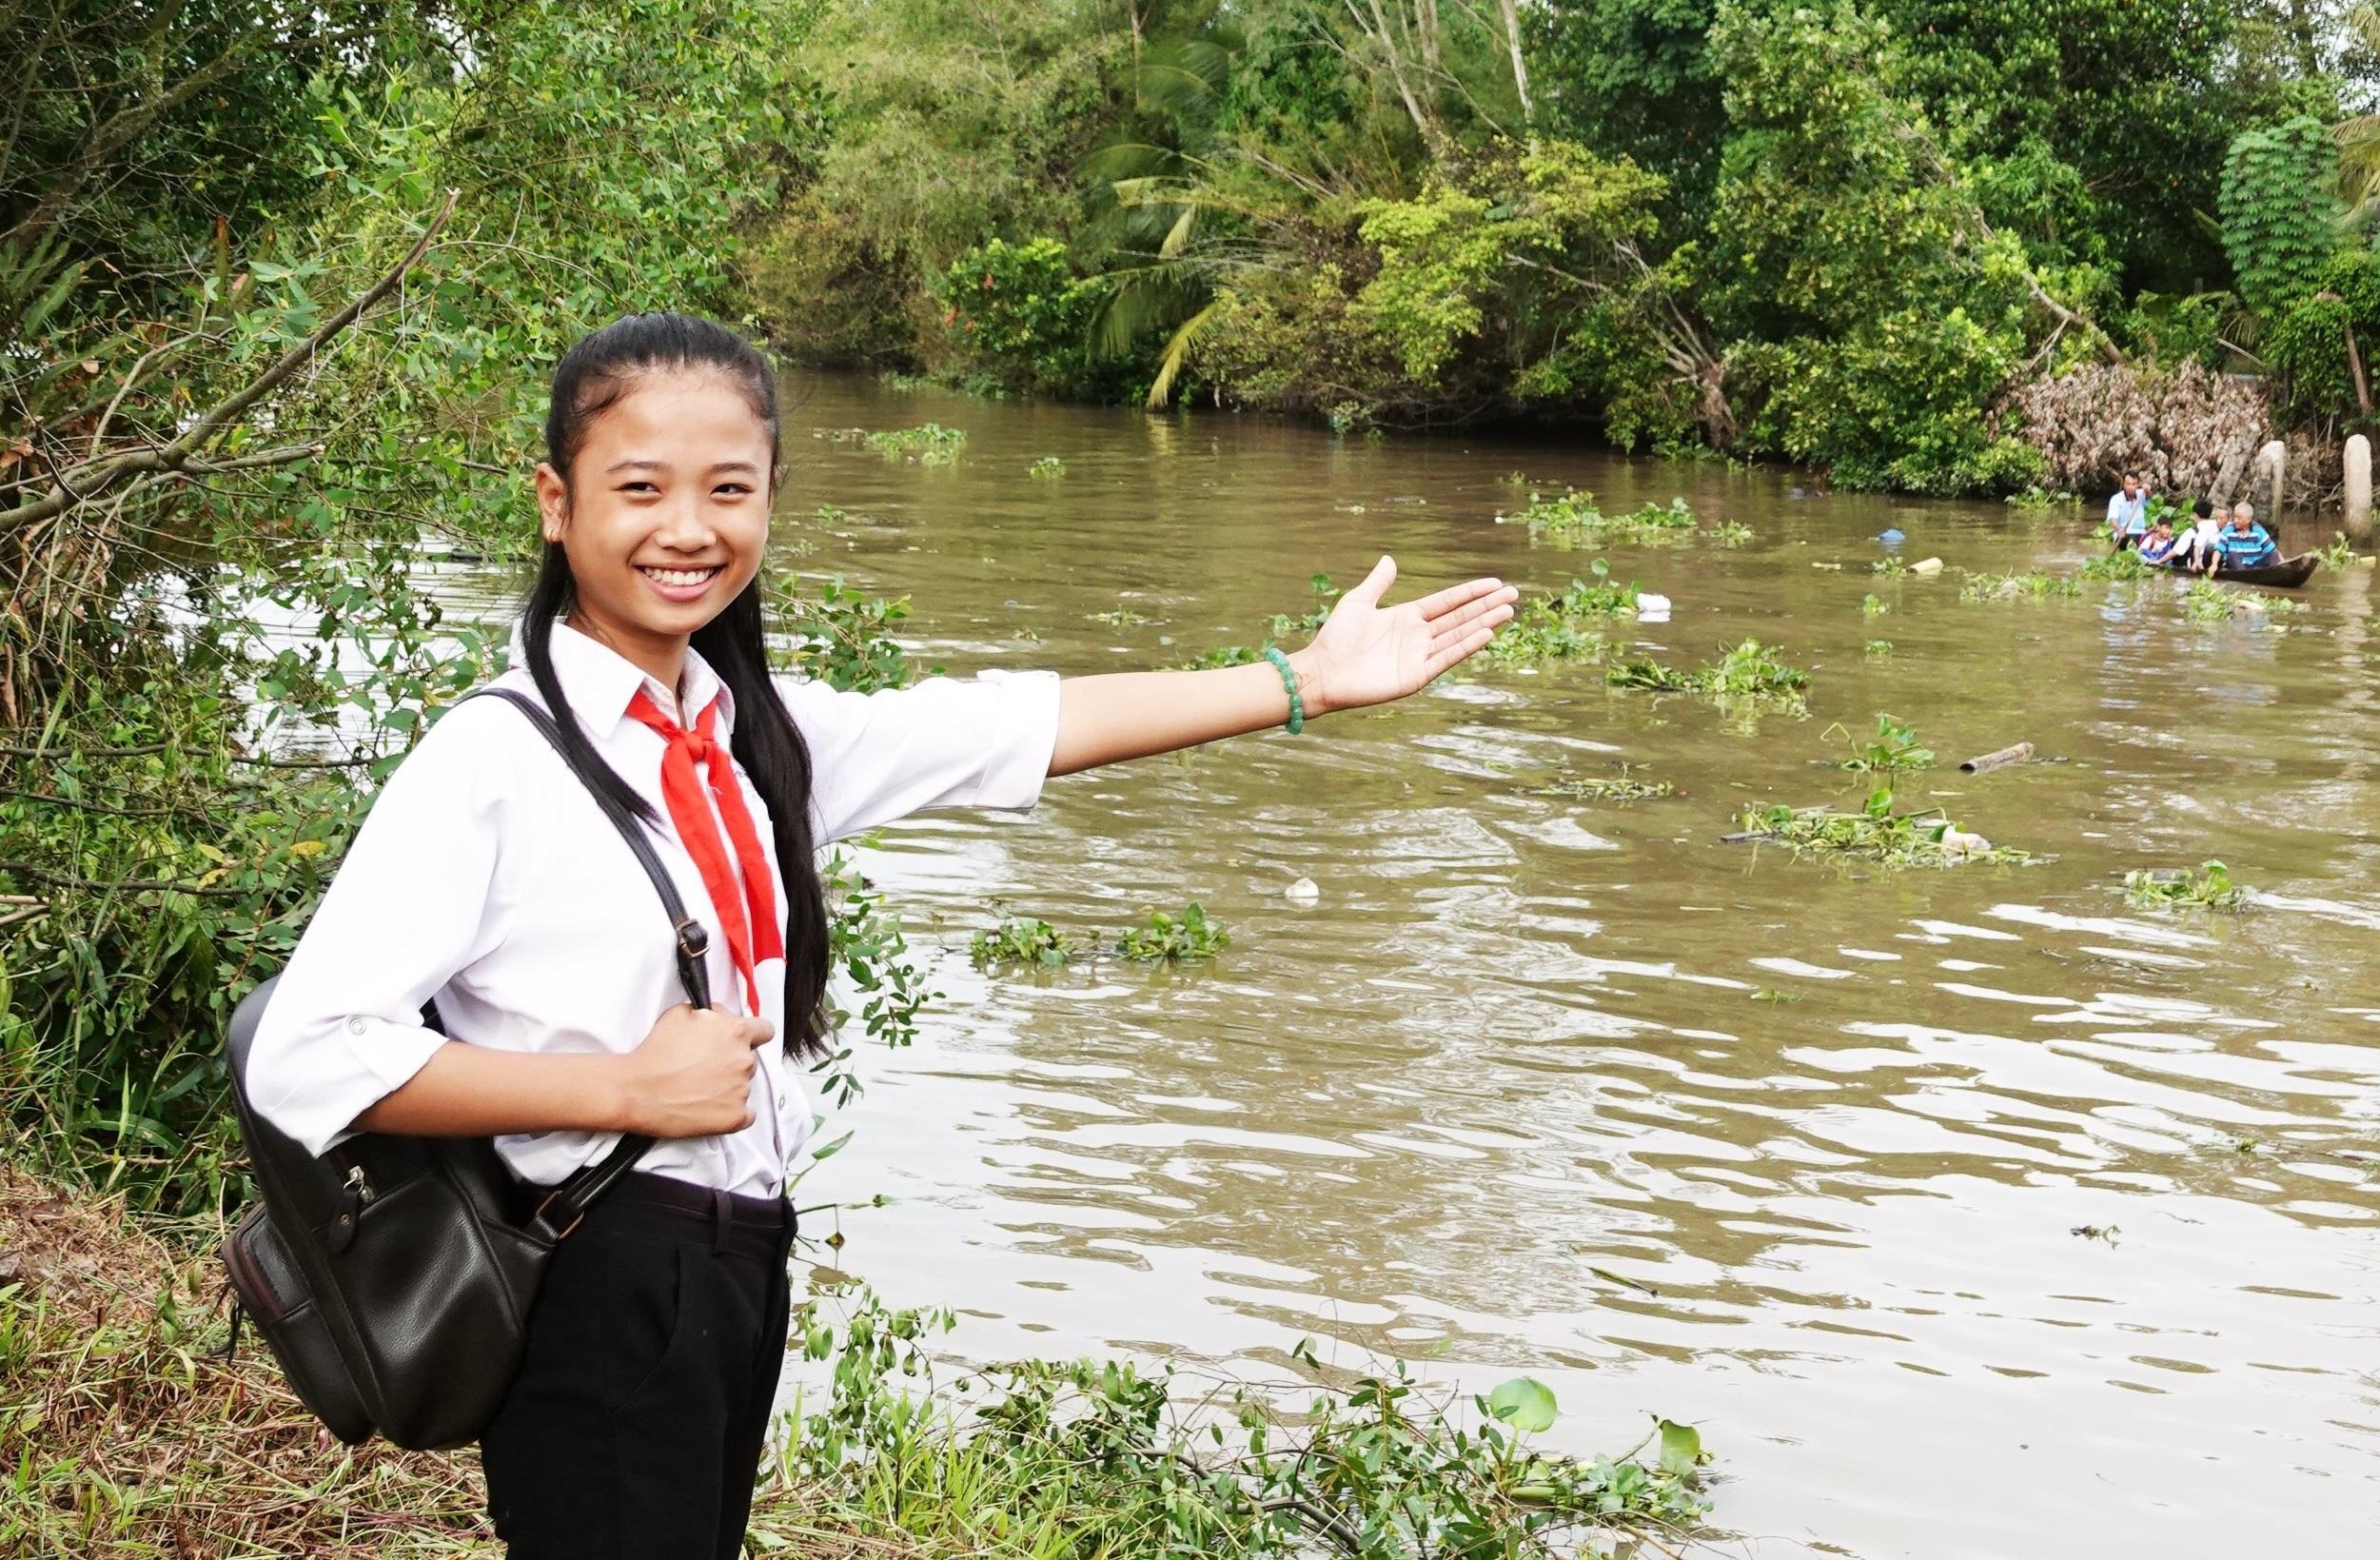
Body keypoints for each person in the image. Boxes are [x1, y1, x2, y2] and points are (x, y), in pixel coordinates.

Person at [243, 313, 1521, 1560]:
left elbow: (1019, 724)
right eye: (640, 487)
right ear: (555, 500)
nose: (688, 528)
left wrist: (1302, 679)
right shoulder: (493, 759)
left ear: (770, 499)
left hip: (735, 1255)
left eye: (729, 489)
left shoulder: (761, 735)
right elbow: (306, 1054)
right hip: (598, 1267)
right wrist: (620, 1085)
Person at [2217, 501, 2282, 569]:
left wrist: (2282, 561)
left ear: (2248, 520)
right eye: (2234, 517)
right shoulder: (2228, 530)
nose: (2235, 520)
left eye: (2239, 518)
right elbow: (2218, 550)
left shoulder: (2258, 530)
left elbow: (2272, 549)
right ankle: (2243, 574)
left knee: (2273, 555)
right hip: (2236, 566)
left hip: (2254, 565)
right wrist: (2214, 564)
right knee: (2232, 554)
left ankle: (2271, 574)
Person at [2104, 472, 2148, 545]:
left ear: (2138, 484)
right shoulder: (2116, 499)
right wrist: (2119, 529)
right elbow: (2113, 519)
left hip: (2141, 533)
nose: (2131, 487)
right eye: (2128, 484)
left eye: (2134, 484)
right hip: (2124, 533)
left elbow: (2150, 497)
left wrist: (2148, 490)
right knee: (2127, 542)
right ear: (2124, 485)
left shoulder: (2142, 494)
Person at [2184, 498, 2224, 573]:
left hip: (2209, 561)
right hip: (2208, 561)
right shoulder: (2211, 525)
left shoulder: (2192, 531)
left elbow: (2177, 551)